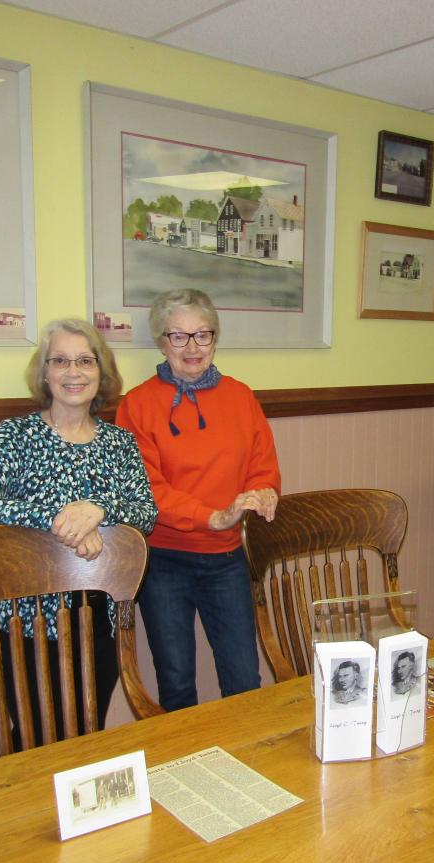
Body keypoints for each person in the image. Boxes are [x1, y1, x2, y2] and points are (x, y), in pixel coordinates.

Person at [0, 318, 157, 746]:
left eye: (86, 360)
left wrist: (99, 510)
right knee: (32, 739)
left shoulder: (119, 443)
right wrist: (62, 519)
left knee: (87, 734)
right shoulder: (15, 436)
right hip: (27, 617)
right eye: (61, 361)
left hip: (101, 617)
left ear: (101, 372)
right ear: (44, 372)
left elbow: (145, 513)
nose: (74, 372)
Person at [116, 289, 280, 711]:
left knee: (244, 680)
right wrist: (212, 517)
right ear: (161, 341)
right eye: (179, 336)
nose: (192, 348)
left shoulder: (241, 397)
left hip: (228, 560)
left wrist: (264, 493)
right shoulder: (137, 405)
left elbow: (263, 466)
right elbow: (147, 490)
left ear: (215, 338)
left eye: (203, 335)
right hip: (164, 562)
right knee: (176, 686)